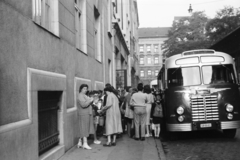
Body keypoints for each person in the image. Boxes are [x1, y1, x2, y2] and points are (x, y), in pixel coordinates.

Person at [77, 84, 94, 150]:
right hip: (84, 114)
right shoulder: (80, 95)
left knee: (83, 128)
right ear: (81, 89)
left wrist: (90, 100)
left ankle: (80, 142)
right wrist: (90, 100)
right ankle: (85, 143)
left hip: (85, 113)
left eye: (86, 89)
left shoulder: (83, 95)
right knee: (84, 128)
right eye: (84, 88)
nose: (85, 90)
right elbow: (83, 104)